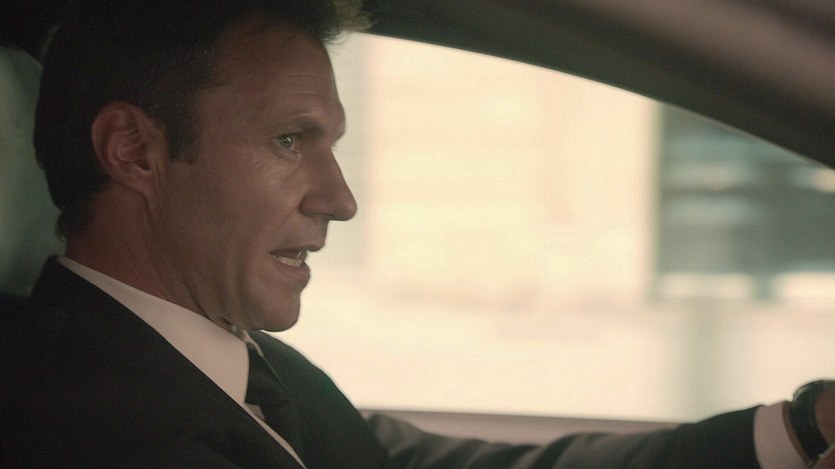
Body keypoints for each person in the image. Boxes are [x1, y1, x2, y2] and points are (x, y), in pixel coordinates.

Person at [1, 0, 833, 467]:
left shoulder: (239, 364)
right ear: (134, 150)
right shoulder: (89, 431)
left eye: (330, 144)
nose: (340, 200)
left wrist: (799, 433)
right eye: (288, 140)